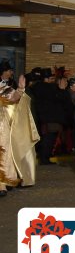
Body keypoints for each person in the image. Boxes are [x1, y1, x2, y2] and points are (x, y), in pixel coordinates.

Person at [0, 69, 38, 197]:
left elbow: (13, 98)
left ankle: (3, 183)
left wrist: (20, 89)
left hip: (1, 127)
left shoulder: (2, 87)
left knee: (4, 153)